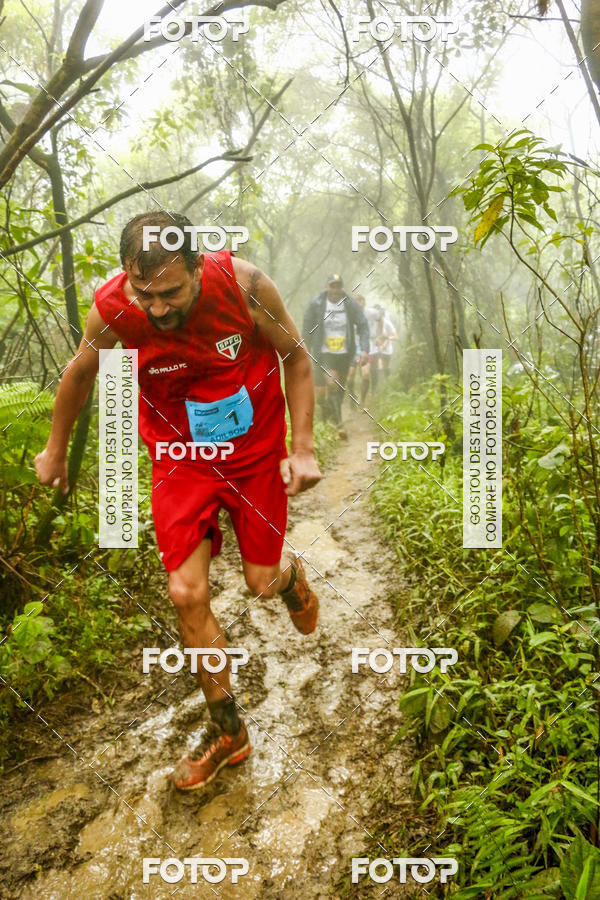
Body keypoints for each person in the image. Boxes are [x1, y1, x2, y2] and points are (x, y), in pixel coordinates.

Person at [34, 210, 322, 791]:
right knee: (185, 592)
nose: (157, 308)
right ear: (126, 278)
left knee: (260, 581)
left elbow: (295, 356)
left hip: (253, 451)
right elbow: (81, 373)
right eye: (145, 295)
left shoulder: (245, 286)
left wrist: (305, 447)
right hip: (178, 459)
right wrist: (56, 448)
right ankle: (227, 731)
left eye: (170, 292)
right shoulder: (114, 306)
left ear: (197, 265)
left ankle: (290, 581)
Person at [302, 273, 369, 438]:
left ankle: (328, 417)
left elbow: (362, 324)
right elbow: (307, 325)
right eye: (332, 286)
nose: (335, 290)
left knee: (339, 387)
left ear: (342, 288)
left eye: (338, 287)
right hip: (323, 352)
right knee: (329, 384)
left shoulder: (350, 304)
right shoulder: (317, 303)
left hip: (345, 353)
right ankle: (339, 424)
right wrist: (305, 346)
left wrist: (364, 349)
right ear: (327, 287)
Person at [378, 309, 398, 378]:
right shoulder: (373, 323)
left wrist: (387, 338)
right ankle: (378, 384)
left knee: (386, 367)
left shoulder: (387, 324)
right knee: (379, 365)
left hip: (387, 350)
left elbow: (395, 336)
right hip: (376, 349)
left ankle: (387, 381)